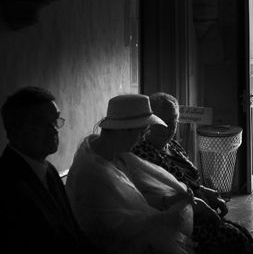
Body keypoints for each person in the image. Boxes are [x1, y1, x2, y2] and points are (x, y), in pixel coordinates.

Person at [66, 93, 203, 254]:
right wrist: (167, 218)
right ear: (124, 131)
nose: (141, 140)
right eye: (140, 133)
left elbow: (135, 199)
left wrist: (169, 200)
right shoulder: (92, 173)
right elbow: (117, 226)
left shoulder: (114, 154)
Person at [132, 92, 253, 254]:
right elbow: (158, 196)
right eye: (160, 122)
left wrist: (205, 191)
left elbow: (187, 180)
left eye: (172, 122)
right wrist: (199, 203)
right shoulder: (142, 153)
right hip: (178, 221)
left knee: (242, 234)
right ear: (148, 122)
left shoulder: (172, 146)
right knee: (235, 238)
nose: (166, 128)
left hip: (197, 211)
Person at [0, 86, 100, 253]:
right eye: (42, 123)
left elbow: (73, 232)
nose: (54, 130)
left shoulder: (48, 169)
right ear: (16, 129)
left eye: (55, 121)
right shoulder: (7, 184)